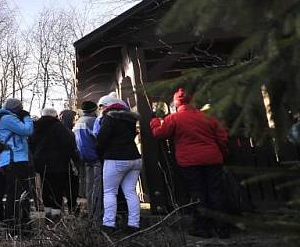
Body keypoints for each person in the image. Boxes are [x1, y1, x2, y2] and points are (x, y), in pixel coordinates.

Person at [151, 87, 230, 238]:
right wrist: (223, 153)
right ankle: (222, 228)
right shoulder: (207, 117)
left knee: (197, 193)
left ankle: (202, 227)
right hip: (212, 159)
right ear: (192, 101)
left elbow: (159, 133)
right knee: (216, 192)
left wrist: (154, 121)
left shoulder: (173, 118)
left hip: (189, 162)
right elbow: (222, 137)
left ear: (176, 103)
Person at [95, 99, 141, 232]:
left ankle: (109, 224)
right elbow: (132, 136)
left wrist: (100, 154)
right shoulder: (131, 120)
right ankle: (134, 224)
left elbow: (101, 139)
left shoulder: (109, 119)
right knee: (131, 192)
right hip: (134, 158)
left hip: (115, 158)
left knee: (110, 192)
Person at [30, 107, 79, 219]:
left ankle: (47, 212)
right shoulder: (59, 126)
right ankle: (56, 213)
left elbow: (31, 144)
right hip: (58, 163)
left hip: (41, 163)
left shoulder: (35, 127)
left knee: (45, 186)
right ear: (55, 116)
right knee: (57, 187)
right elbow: (69, 143)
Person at [0, 98, 34, 229]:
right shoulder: (8, 119)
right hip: (15, 160)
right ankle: (19, 224)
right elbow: (27, 130)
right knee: (19, 193)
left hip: (11, 159)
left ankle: (14, 222)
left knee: (14, 193)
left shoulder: (4, 117)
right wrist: (27, 117)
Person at [74, 100, 102, 222]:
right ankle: (97, 216)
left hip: (84, 158)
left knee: (89, 187)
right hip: (95, 157)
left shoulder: (78, 122)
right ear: (94, 110)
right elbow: (99, 137)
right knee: (97, 188)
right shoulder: (93, 121)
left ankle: (90, 213)